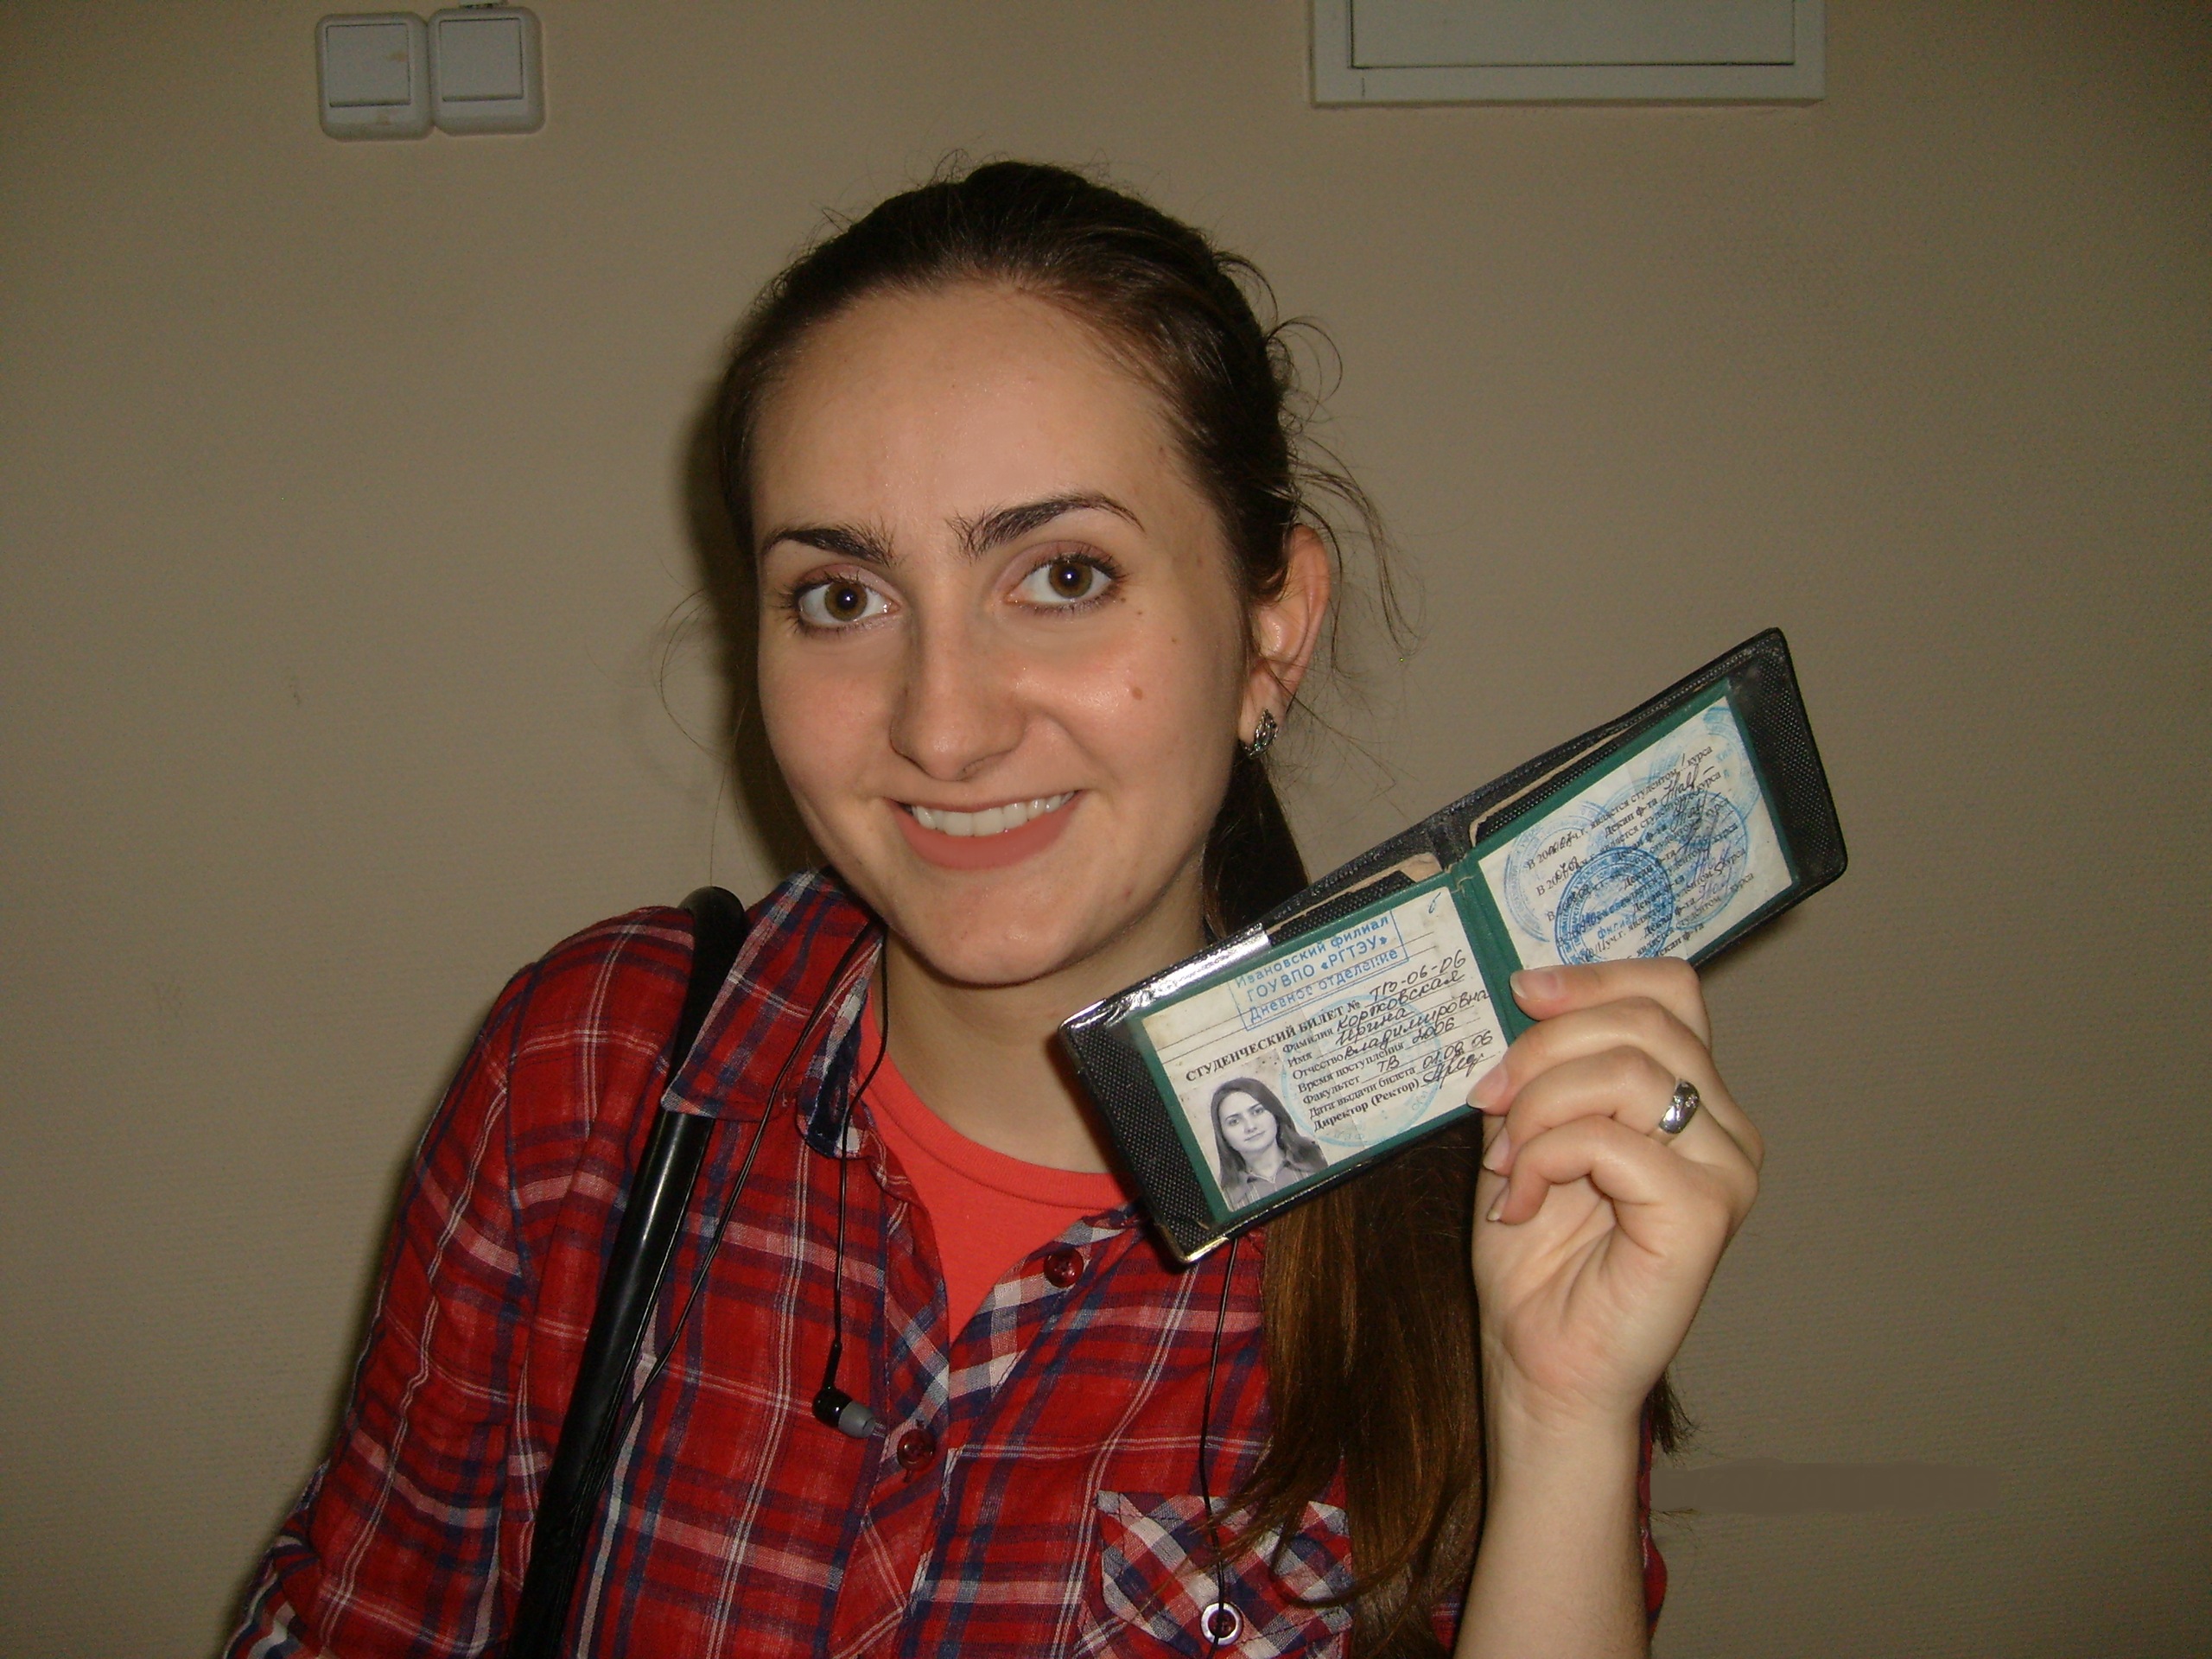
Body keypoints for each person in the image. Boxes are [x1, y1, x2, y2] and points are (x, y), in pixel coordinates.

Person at [226, 161, 1761, 1659]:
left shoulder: (1471, 1204)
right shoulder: (592, 1073)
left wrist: (1561, 1418)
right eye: (843, 597)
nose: (943, 729)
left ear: (1274, 628)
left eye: (1064, 576)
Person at [1211, 1077, 1327, 1208]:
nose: (1250, 1127)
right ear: (1223, 1135)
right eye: (1234, 1121)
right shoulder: (1225, 1201)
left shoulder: (1321, 1159)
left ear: (1275, 1115)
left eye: (1257, 1111)